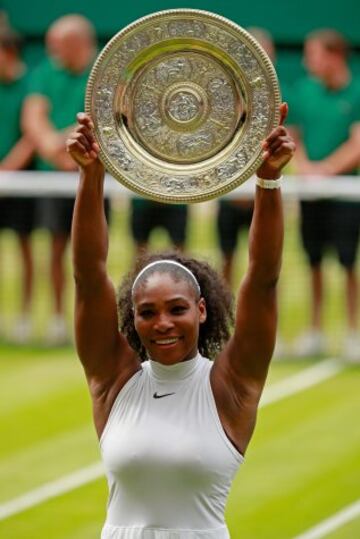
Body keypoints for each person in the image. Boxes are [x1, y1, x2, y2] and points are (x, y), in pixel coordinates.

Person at [66, 102, 294, 538]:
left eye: (177, 308)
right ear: (132, 319)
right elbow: (88, 276)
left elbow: (263, 280)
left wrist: (268, 179)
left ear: (202, 310)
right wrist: (90, 174)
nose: (162, 323)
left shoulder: (231, 387)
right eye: (147, 313)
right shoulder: (113, 381)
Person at [22, 14, 104, 344]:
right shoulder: (45, 72)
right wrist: (56, 149)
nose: (55, 52)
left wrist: (69, 147)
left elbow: (107, 116)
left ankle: (94, 320)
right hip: (54, 175)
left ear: (79, 43)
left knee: (95, 253)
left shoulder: (104, 70)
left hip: (93, 177)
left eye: (60, 46)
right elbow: (33, 118)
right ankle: (58, 318)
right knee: (55, 248)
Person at [289, 29, 360, 362]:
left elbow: (357, 143)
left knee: (348, 262)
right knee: (313, 261)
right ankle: (315, 331)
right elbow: (295, 137)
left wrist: (327, 170)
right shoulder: (303, 90)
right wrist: (305, 168)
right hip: (310, 192)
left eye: (313, 54)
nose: (307, 61)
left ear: (334, 56)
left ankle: (352, 333)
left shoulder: (357, 90)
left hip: (346, 194)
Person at [0, 18, 35, 342]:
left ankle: (25, 318)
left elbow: (30, 131)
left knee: (26, 248)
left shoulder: (29, 83)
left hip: (22, 181)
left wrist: (8, 170)